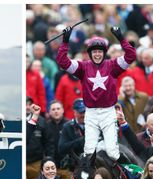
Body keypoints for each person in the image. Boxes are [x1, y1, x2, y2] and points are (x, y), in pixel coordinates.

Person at [56, 25, 136, 163]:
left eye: (100, 51)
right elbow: (62, 61)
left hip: (108, 112)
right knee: (88, 152)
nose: (97, 54)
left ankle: (130, 174)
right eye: (94, 52)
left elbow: (131, 56)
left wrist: (121, 38)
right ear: (90, 53)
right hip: (91, 113)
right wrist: (65, 41)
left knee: (112, 152)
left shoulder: (113, 65)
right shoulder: (82, 67)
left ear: (104, 53)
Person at [46, 100, 73, 179]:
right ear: (49, 112)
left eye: (58, 108)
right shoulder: (46, 126)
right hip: (51, 168)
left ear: (62, 110)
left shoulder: (70, 125)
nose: (56, 111)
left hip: (67, 168)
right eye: (53, 109)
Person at [26, 96, 53, 179]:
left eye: (29, 104)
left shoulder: (41, 121)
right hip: (21, 161)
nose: (27, 107)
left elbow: (48, 141)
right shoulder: (19, 121)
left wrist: (48, 158)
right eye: (25, 104)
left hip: (36, 162)